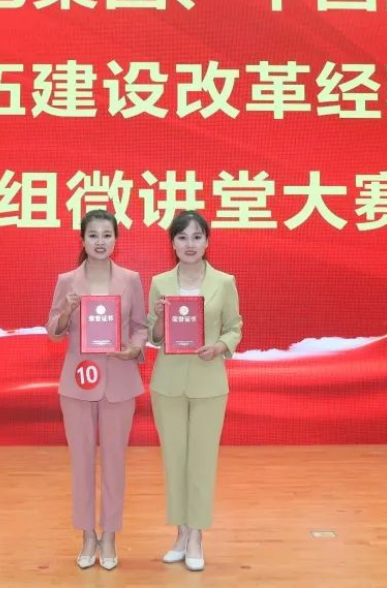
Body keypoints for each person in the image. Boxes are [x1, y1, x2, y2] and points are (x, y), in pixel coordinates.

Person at [45, 209, 147, 570]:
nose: (100, 241)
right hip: (77, 383)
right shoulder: (67, 281)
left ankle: (110, 536)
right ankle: (88, 535)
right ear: (82, 239)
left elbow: (140, 327)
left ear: (116, 239)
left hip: (119, 381)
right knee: (82, 462)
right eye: (93, 235)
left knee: (115, 462)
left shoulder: (131, 279)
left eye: (107, 234)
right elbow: (53, 330)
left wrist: (134, 348)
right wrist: (67, 312)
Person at [146, 210, 242, 571]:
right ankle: (180, 534)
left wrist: (219, 347)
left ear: (207, 242)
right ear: (172, 243)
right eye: (182, 237)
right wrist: (158, 318)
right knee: (175, 461)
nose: (190, 244)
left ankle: (197, 536)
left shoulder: (224, 282)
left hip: (209, 383)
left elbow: (234, 327)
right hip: (168, 384)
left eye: (197, 237)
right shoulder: (160, 283)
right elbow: (154, 336)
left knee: (201, 462)